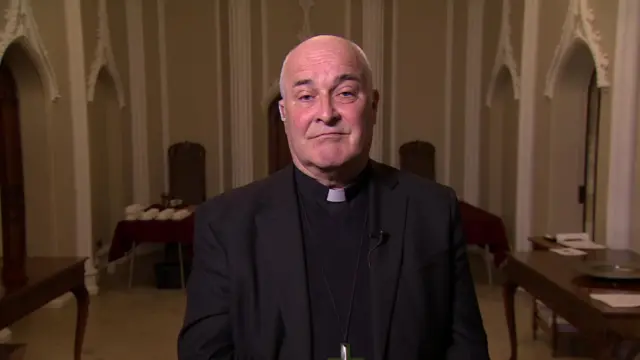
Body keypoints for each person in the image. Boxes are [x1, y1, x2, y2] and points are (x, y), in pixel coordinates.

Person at [177, 34, 490, 360]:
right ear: (284, 113)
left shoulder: (434, 210)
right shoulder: (226, 222)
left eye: (345, 93)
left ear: (373, 105)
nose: (326, 114)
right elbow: (204, 353)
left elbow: (466, 347)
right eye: (306, 96)